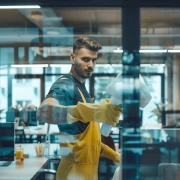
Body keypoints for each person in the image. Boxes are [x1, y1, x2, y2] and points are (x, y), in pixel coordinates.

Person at [36, 36, 122, 180]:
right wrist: (87, 111)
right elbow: (43, 113)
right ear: (72, 58)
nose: (91, 65)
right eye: (86, 59)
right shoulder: (65, 85)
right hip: (73, 174)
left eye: (94, 60)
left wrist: (115, 156)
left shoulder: (82, 89)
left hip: (86, 173)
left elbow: (87, 143)